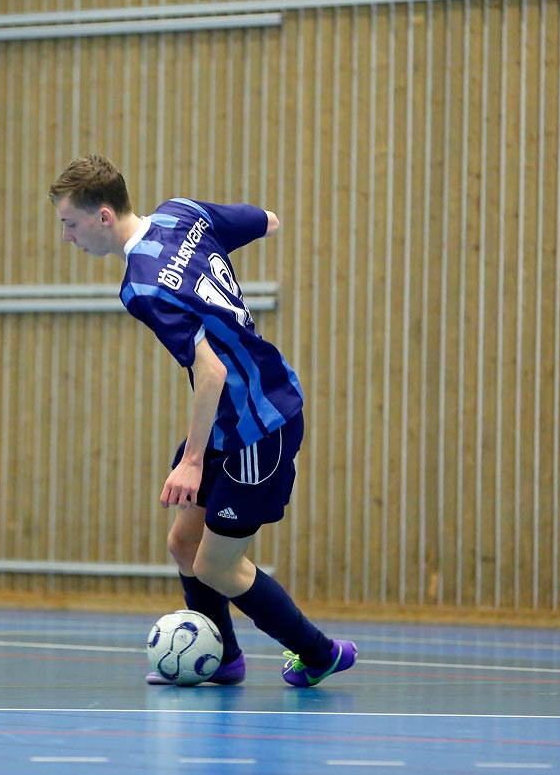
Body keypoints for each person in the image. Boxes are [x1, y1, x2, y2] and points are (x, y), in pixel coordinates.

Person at [49, 155, 355, 688]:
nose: (67, 238)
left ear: (103, 216)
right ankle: (222, 659)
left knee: (217, 565)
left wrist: (191, 463)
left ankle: (319, 652)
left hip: (259, 423)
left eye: (70, 224)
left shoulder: (142, 287)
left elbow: (209, 371)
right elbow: (269, 220)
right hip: (227, 421)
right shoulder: (182, 214)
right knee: (182, 543)